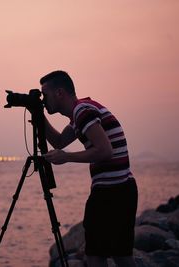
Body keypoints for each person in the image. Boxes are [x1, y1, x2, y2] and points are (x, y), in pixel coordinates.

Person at [40, 70, 138, 267]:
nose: (43, 100)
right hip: (124, 187)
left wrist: (66, 157)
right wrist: (39, 116)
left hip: (110, 191)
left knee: (95, 256)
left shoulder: (81, 111)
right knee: (121, 255)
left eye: (45, 95)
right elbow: (59, 141)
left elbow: (104, 151)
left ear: (59, 93)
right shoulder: (82, 112)